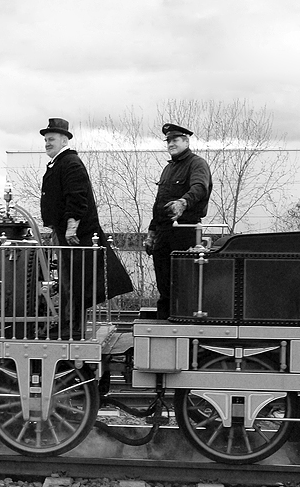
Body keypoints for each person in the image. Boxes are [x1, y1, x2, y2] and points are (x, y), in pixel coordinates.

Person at [38, 117, 133, 339]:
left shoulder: (70, 163)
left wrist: (72, 224)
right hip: (66, 233)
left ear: (64, 140)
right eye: (45, 140)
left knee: (74, 282)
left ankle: (71, 327)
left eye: (51, 139)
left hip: (76, 236)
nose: (47, 143)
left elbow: (77, 196)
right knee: (69, 281)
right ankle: (68, 324)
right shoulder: (61, 163)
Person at [144, 123, 213, 320]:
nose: (171, 144)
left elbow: (200, 187)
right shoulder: (168, 169)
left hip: (184, 231)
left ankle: (182, 320)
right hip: (164, 231)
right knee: (164, 281)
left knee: (183, 281)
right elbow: (160, 203)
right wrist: (152, 232)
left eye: (175, 140)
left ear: (186, 141)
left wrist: (183, 202)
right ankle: (165, 319)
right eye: (169, 141)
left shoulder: (197, 164)